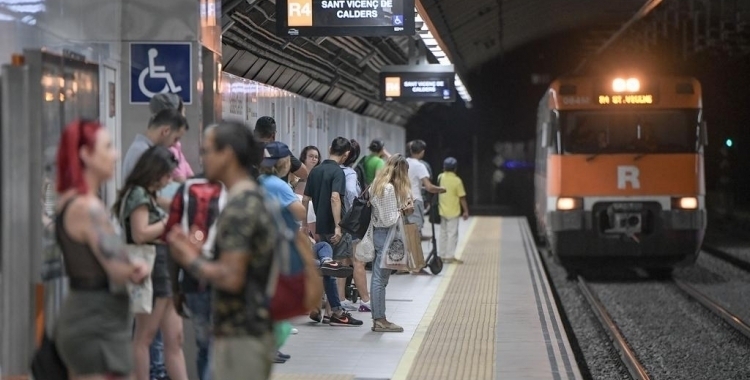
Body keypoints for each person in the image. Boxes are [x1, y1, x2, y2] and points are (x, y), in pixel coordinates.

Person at [167, 121, 279, 379]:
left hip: (242, 333)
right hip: (251, 328)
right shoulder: (254, 196)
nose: (202, 158)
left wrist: (190, 259)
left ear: (227, 154)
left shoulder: (240, 207)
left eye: (206, 151)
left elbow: (231, 276)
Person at [53, 119, 150, 379]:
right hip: (96, 323)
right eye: (108, 147)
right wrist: (137, 268)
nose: (116, 155)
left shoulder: (70, 201)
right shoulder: (89, 208)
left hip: (88, 318)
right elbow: (119, 270)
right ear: (86, 154)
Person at [112, 146, 188, 380]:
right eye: (166, 176)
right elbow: (140, 233)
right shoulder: (138, 195)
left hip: (162, 269)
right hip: (152, 269)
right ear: (154, 172)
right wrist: (168, 223)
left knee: (174, 337)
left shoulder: (149, 195)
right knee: (145, 336)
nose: (168, 181)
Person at [163, 170, 225, 380]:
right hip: (230, 283)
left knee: (205, 346)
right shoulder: (238, 189)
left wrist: (175, 287)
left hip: (193, 281)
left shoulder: (187, 189)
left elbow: (172, 240)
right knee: (223, 347)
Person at [147, 92, 190, 379]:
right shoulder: (156, 156)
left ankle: (160, 371)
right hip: (162, 249)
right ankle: (156, 373)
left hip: (171, 246)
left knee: (171, 334)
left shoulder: (170, 150)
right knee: (153, 334)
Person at [302, 137, 363, 327]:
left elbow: (305, 199)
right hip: (334, 228)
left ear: (329, 149)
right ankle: (334, 312)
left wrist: (305, 225)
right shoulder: (338, 172)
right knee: (335, 269)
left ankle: (324, 310)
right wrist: (338, 225)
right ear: (346, 155)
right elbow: (335, 198)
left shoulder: (315, 171)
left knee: (325, 267)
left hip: (319, 228)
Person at [364, 154, 413, 332]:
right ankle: (379, 320)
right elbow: (389, 219)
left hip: (379, 234)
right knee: (380, 279)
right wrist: (405, 210)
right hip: (385, 234)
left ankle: (379, 318)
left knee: (379, 277)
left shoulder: (377, 185)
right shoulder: (389, 189)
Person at [339, 139, 371, 312]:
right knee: (358, 261)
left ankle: (341, 299)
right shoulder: (350, 173)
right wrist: (353, 211)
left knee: (343, 260)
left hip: (338, 221)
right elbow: (351, 191)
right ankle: (365, 301)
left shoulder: (333, 170)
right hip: (350, 223)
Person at [405, 140, 445, 237]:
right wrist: (442, 189)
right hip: (414, 200)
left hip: (402, 201)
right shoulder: (419, 165)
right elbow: (429, 187)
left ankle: (408, 252)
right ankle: (414, 252)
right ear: (422, 152)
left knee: (406, 233)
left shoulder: (404, 162)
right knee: (415, 233)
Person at [253, 116, 309, 180]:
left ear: (254, 133)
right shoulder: (279, 150)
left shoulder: (244, 149)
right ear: (273, 135)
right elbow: (304, 173)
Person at [437, 157, 470, 264]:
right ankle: (449, 256)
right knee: (452, 234)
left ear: (444, 167)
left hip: (442, 210)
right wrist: (466, 211)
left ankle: (441, 255)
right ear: (455, 169)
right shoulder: (457, 181)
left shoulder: (440, 177)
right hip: (453, 212)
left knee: (443, 233)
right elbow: (462, 197)